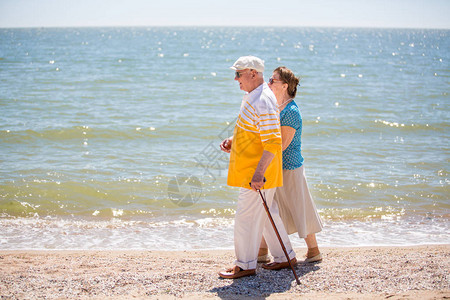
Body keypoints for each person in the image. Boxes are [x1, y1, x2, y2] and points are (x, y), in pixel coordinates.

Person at [218, 56, 296, 279]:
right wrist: (235, 142)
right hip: (255, 170)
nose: (235, 79)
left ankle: (244, 264)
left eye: (238, 74)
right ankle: (285, 257)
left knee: (245, 217)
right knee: (267, 214)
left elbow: (272, 141)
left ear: (253, 73)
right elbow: (256, 132)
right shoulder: (253, 96)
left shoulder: (262, 99)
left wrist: (259, 173)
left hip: (257, 173)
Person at [258, 66, 323, 264]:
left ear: (284, 85)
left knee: (299, 207)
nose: (268, 83)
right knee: (269, 207)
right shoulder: (276, 107)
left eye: (272, 80)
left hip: (290, 167)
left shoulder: (291, 111)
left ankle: (314, 250)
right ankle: (261, 251)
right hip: (275, 166)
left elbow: (282, 144)